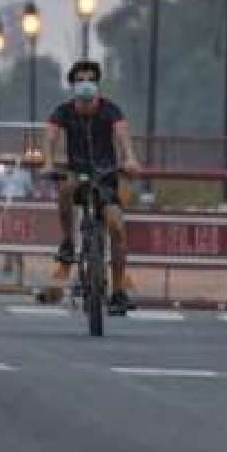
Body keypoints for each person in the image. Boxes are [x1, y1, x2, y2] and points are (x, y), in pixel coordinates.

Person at [40, 59, 143, 316]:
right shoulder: (63, 112)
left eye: (90, 80)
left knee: (117, 228)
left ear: (97, 85)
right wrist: (49, 162)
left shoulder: (111, 111)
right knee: (65, 188)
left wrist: (129, 158)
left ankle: (118, 291)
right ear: (73, 86)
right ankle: (67, 242)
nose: (85, 85)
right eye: (80, 80)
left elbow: (122, 135)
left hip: (105, 176)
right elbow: (50, 135)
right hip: (78, 173)